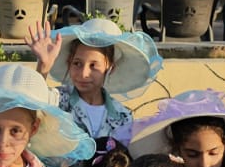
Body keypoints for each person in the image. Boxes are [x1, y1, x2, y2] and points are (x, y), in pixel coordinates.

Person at [27, 17, 161, 143]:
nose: (84, 74)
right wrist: (44, 65)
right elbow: (33, 104)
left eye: (93, 66)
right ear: (69, 63)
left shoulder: (122, 116)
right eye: (77, 63)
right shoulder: (58, 100)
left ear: (110, 68)